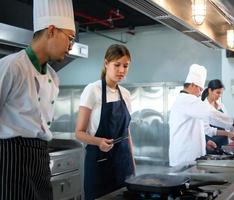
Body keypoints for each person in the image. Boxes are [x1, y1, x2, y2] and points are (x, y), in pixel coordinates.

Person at [0, 0, 76, 199]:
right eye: (70, 38)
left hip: (40, 158)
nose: (70, 46)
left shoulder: (53, 77)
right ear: (51, 30)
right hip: (11, 160)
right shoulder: (12, 66)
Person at [75, 44, 135, 199]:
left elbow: (127, 133)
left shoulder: (126, 94)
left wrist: (133, 165)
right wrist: (98, 141)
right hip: (99, 162)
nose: (122, 70)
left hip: (123, 162)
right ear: (106, 63)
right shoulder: (92, 90)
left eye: (125, 66)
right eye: (117, 65)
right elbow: (79, 133)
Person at [169, 64, 234, 167]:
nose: (200, 93)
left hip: (191, 158)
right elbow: (210, 114)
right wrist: (232, 123)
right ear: (193, 84)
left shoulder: (189, 101)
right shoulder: (187, 100)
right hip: (184, 158)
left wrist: (205, 142)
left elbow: (196, 127)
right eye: (200, 89)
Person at [201, 79, 234, 148]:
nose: (219, 95)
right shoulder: (203, 107)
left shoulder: (221, 105)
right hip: (212, 144)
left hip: (224, 143)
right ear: (210, 90)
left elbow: (226, 123)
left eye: (221, 93)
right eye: (218, 92)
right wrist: (228, 133)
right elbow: (207, 130)